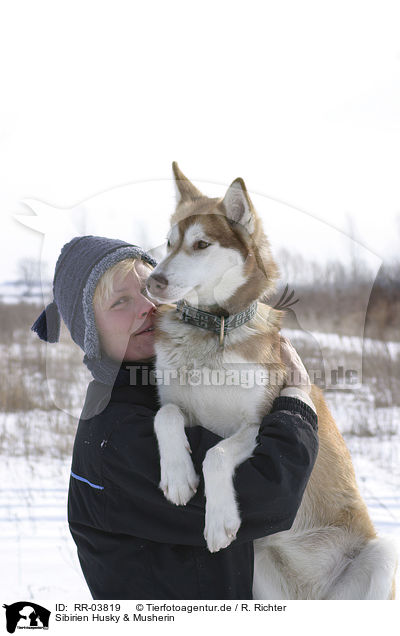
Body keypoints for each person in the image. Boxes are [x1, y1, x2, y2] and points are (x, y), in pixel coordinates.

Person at [31, 235, 319, 600]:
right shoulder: (118, 436)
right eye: (120, 302)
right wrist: (297, 402)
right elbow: (269, 495)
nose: (147, 307)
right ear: (91, 334)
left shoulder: (170, 388)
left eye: (150, 288)